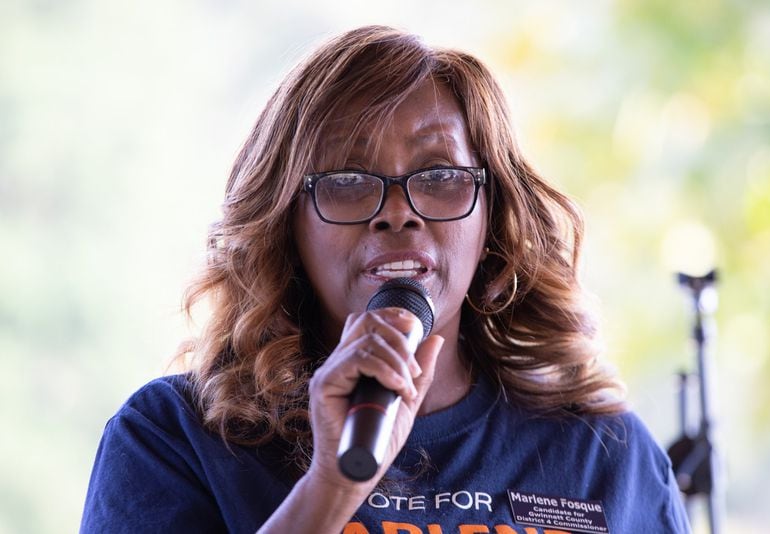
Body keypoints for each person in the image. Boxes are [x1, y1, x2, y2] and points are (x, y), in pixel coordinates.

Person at [80, 25, 691, 533]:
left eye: (441, 175)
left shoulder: (603, 457)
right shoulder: (174, 439)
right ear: (287, 223)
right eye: (347, 181)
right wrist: (331, 487)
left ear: (493, 219)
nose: (396, 211)